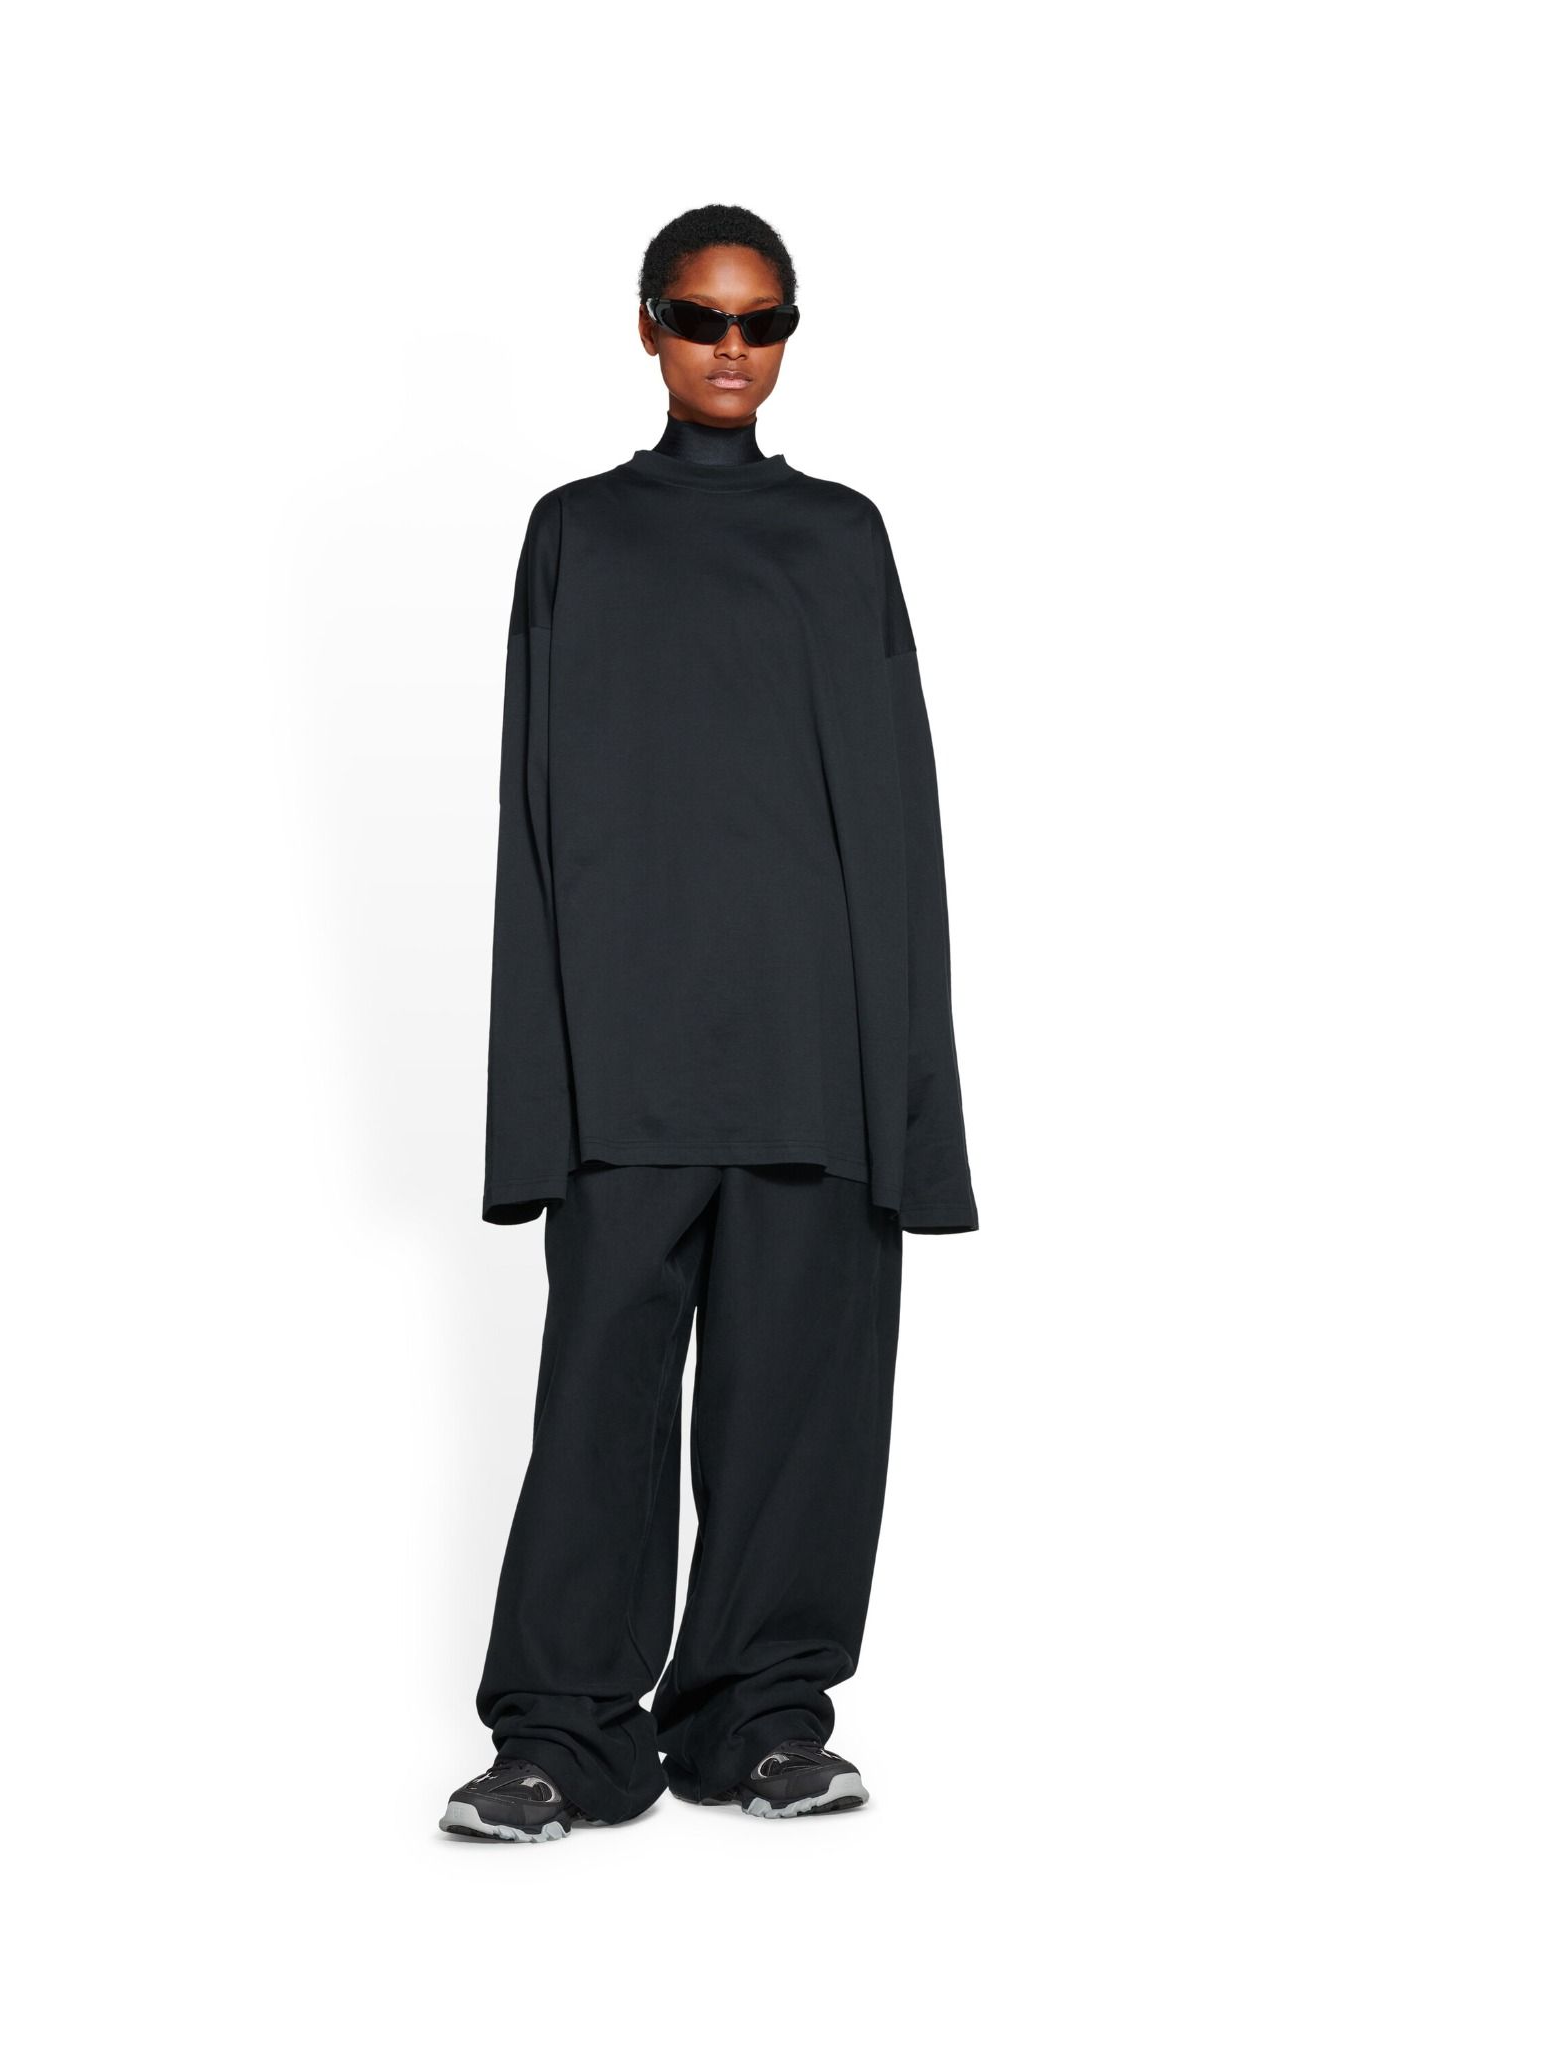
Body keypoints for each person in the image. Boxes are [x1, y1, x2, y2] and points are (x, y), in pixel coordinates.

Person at [440, 204, 977, 1843]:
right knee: (595, 1410)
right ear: (650, 328)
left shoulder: (841, 539)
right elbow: (534, 823)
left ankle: (761, 1721)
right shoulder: (578, 536)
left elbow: (898, 824)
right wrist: (538, 1094)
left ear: (788, 334)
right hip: (629, 1058)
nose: (730, 349)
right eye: (700, 317)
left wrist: (907, 1099)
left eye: (761, 321)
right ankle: (560, 1737)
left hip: (813, 1056)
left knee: (799, 1411)